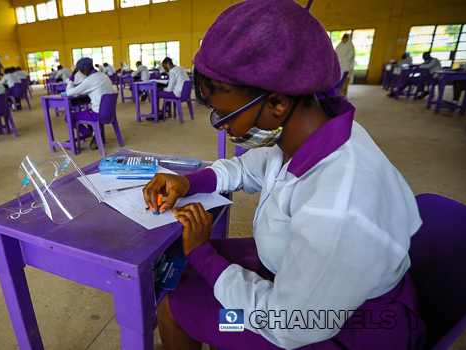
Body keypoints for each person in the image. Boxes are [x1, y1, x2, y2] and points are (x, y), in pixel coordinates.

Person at [143, 1, 426, 349]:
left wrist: (203, 254)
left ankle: (207, 326)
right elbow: (249, 167)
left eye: (225, 114)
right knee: (188, 269)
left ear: (277, 103)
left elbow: (291, 324)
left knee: (176, 304)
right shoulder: (313, 135)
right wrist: (189, 181)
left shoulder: (339, 206)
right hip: (300, 280)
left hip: (339, 328)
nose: (224, 125)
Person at [65, 58, 114, 150]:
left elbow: (69, 93)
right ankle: (94, 134)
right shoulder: (104, 76)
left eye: (82, 72)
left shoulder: (90, 80)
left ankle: (90, 134)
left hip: (98, 114)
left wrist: (72, 77)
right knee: (86, 112)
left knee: (68, 117)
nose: (82, 74)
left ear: (86, 70)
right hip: (109, 113)